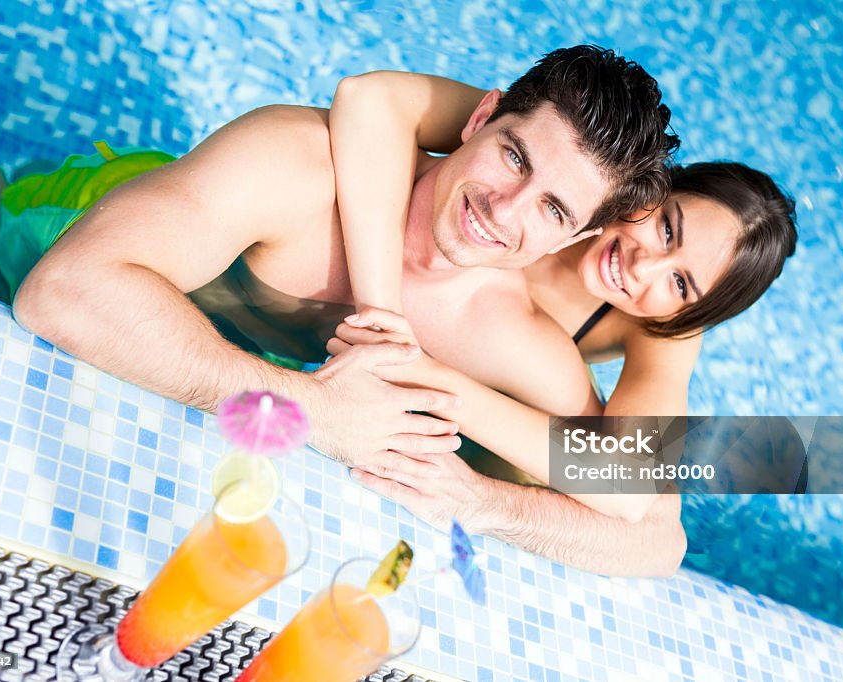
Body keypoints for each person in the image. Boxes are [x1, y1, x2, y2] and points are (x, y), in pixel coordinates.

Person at [0, 46, 687, 576]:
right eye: (515, 156)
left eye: (554, 208)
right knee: (6, 222)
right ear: (479, 117)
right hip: (107, 232)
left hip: (193, 322)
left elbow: (652, 535)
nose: (505, 206)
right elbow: (64, 292)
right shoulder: (298, 166)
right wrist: (311, 409)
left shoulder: (516, 345)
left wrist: (490, 503)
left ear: (580, 235)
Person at [323, 71, 798, 520]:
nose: (645, 266)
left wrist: (425, 376)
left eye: (680, 284)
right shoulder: (551, 148)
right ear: (650, 186)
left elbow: (632, 484)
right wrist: (380, 318)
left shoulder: (665, 331)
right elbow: (369, 97)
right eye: (667, 228)